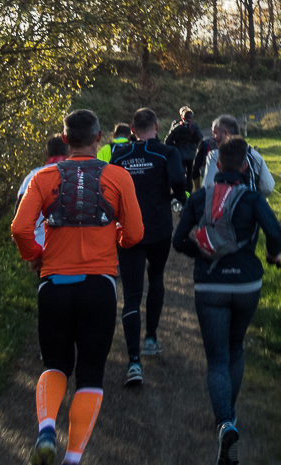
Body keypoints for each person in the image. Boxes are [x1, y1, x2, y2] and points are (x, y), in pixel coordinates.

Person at [11, 109, 143, 465]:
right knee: (90, 372)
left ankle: (46, 430)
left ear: (65, 140)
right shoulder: (117, 177)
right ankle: (72, 458)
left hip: (53, 283)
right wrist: (113, 234)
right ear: (98, 138)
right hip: (98, 286)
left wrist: (34, 256)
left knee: (54, 364)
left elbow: (20, 229)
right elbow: (134, 235)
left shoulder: (43, 177)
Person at [173, 136, 281, 465]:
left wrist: (202, 253)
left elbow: (179, 241)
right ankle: (229, 419)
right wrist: (272, 254)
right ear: (246, 166)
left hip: (211, 286)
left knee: (217, 358)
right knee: (236, 349)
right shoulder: (252, 198)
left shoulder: (200, 197)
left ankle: (224, 423)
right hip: (247, 284)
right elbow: (275, 232)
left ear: (217, 166)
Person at [110, 107, 188, 386]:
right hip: (157, 228)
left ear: (132, 129)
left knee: (131, 294)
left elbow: (108, 190)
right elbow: (179, 181)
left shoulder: (120, 156)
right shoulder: (167, 153)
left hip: (128, 231)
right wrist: (175, 195)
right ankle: (151, 339)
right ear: (156, 125)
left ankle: (134, 362)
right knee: (156, 278)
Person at [15, 134, 69, 253]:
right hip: (74, 250)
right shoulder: (79, 175)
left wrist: (31, 254)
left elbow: (19, 222)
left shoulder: (31, 178)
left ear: (46, 154)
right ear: (68, 153)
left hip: (42, 248)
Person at [201, 114, 275, 197]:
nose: (213, 137)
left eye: (215, 133)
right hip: (251, 205)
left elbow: (207, 189)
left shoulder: (215, 156)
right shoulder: (255, 155)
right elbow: (268, 188)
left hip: (224, 208)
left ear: (226, 133)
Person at [165, 105, 203, 183]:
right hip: (191, 155)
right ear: (191, 117)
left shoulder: (177, 127)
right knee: (190, 175)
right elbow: (200, 139)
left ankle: (181, 191)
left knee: (180, 174)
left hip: (179, 155)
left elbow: (167, 141)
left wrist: (175, 146)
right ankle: (188, 192)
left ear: (182, 117)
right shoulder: (194, 127)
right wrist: (195, 146)